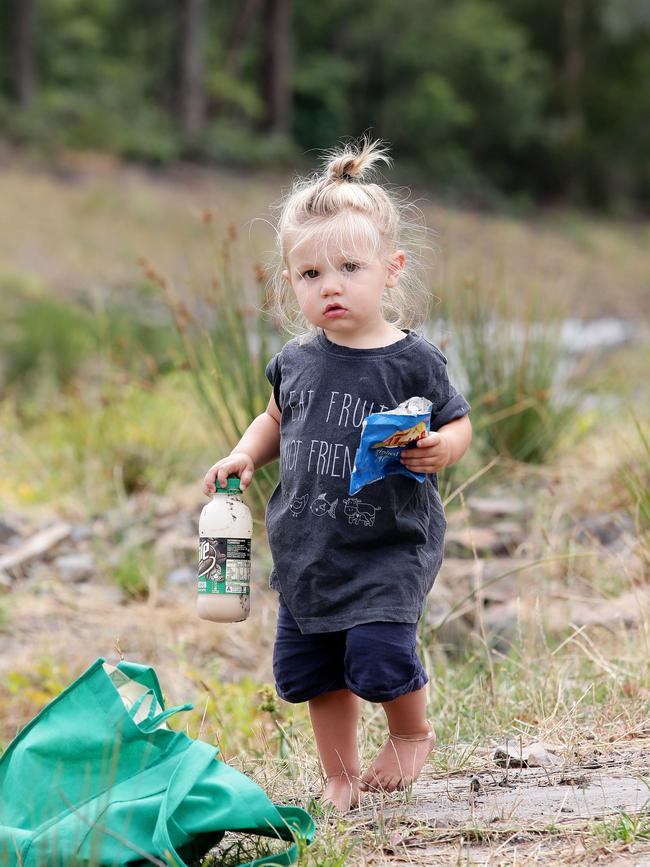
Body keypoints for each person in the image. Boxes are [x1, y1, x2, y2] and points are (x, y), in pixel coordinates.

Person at [202, 138, 472, 812]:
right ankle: (341, 773)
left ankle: (412, 733)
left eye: (349, 267)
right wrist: (244, 453)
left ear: (390, 269)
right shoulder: (296, 360)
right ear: (289, 281)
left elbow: (459, 421)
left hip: (388, 543)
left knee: (379, 652)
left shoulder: (413, 360)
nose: (330, 285)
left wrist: (443, 445)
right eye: (310, 273)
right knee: (315, 669)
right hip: (309, 547)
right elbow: (272, 418)